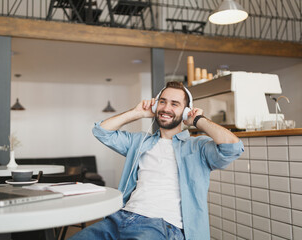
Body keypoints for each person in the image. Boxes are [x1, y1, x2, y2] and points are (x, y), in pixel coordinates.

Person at [69, 81, 244, 240]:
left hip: (161, 226)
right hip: (120, 218)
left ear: (185, 111)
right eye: (163, 101)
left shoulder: (197, 147)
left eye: (174, 104)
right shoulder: (139, 142)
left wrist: (198, 120)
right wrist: (137, 113)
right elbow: (101, 131)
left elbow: (233, 147)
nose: (166, 108)